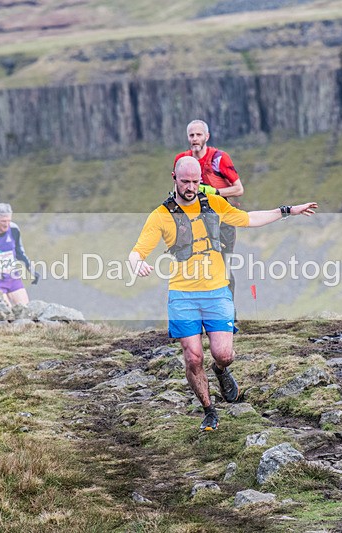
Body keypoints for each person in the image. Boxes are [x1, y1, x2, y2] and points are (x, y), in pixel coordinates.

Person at [129, 156, 317, 431]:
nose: (191, 187)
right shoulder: (160, 215)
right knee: (193, 357)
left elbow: (249, 219)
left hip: (217, 292)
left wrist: (288, 210)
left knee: (224, 354)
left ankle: (220, 371)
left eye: (196, 182)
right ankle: (209, 411)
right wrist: (137, 263)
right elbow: (137, 251)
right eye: (186, 182)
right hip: (182, 295)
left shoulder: (214, 203)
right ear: (174, 178)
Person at [174, 119, 244, 300]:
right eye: (191, 135)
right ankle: (202, 311)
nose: (195, 139)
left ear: (207, 136)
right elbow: (177, 189)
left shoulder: (219, 158)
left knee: (223, 264)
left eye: (198, 135)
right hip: (195, 220)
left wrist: (214, 191)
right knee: (195, 264)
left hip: (222, 220)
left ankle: (228, 314)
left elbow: (239, 189)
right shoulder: (182, 160)